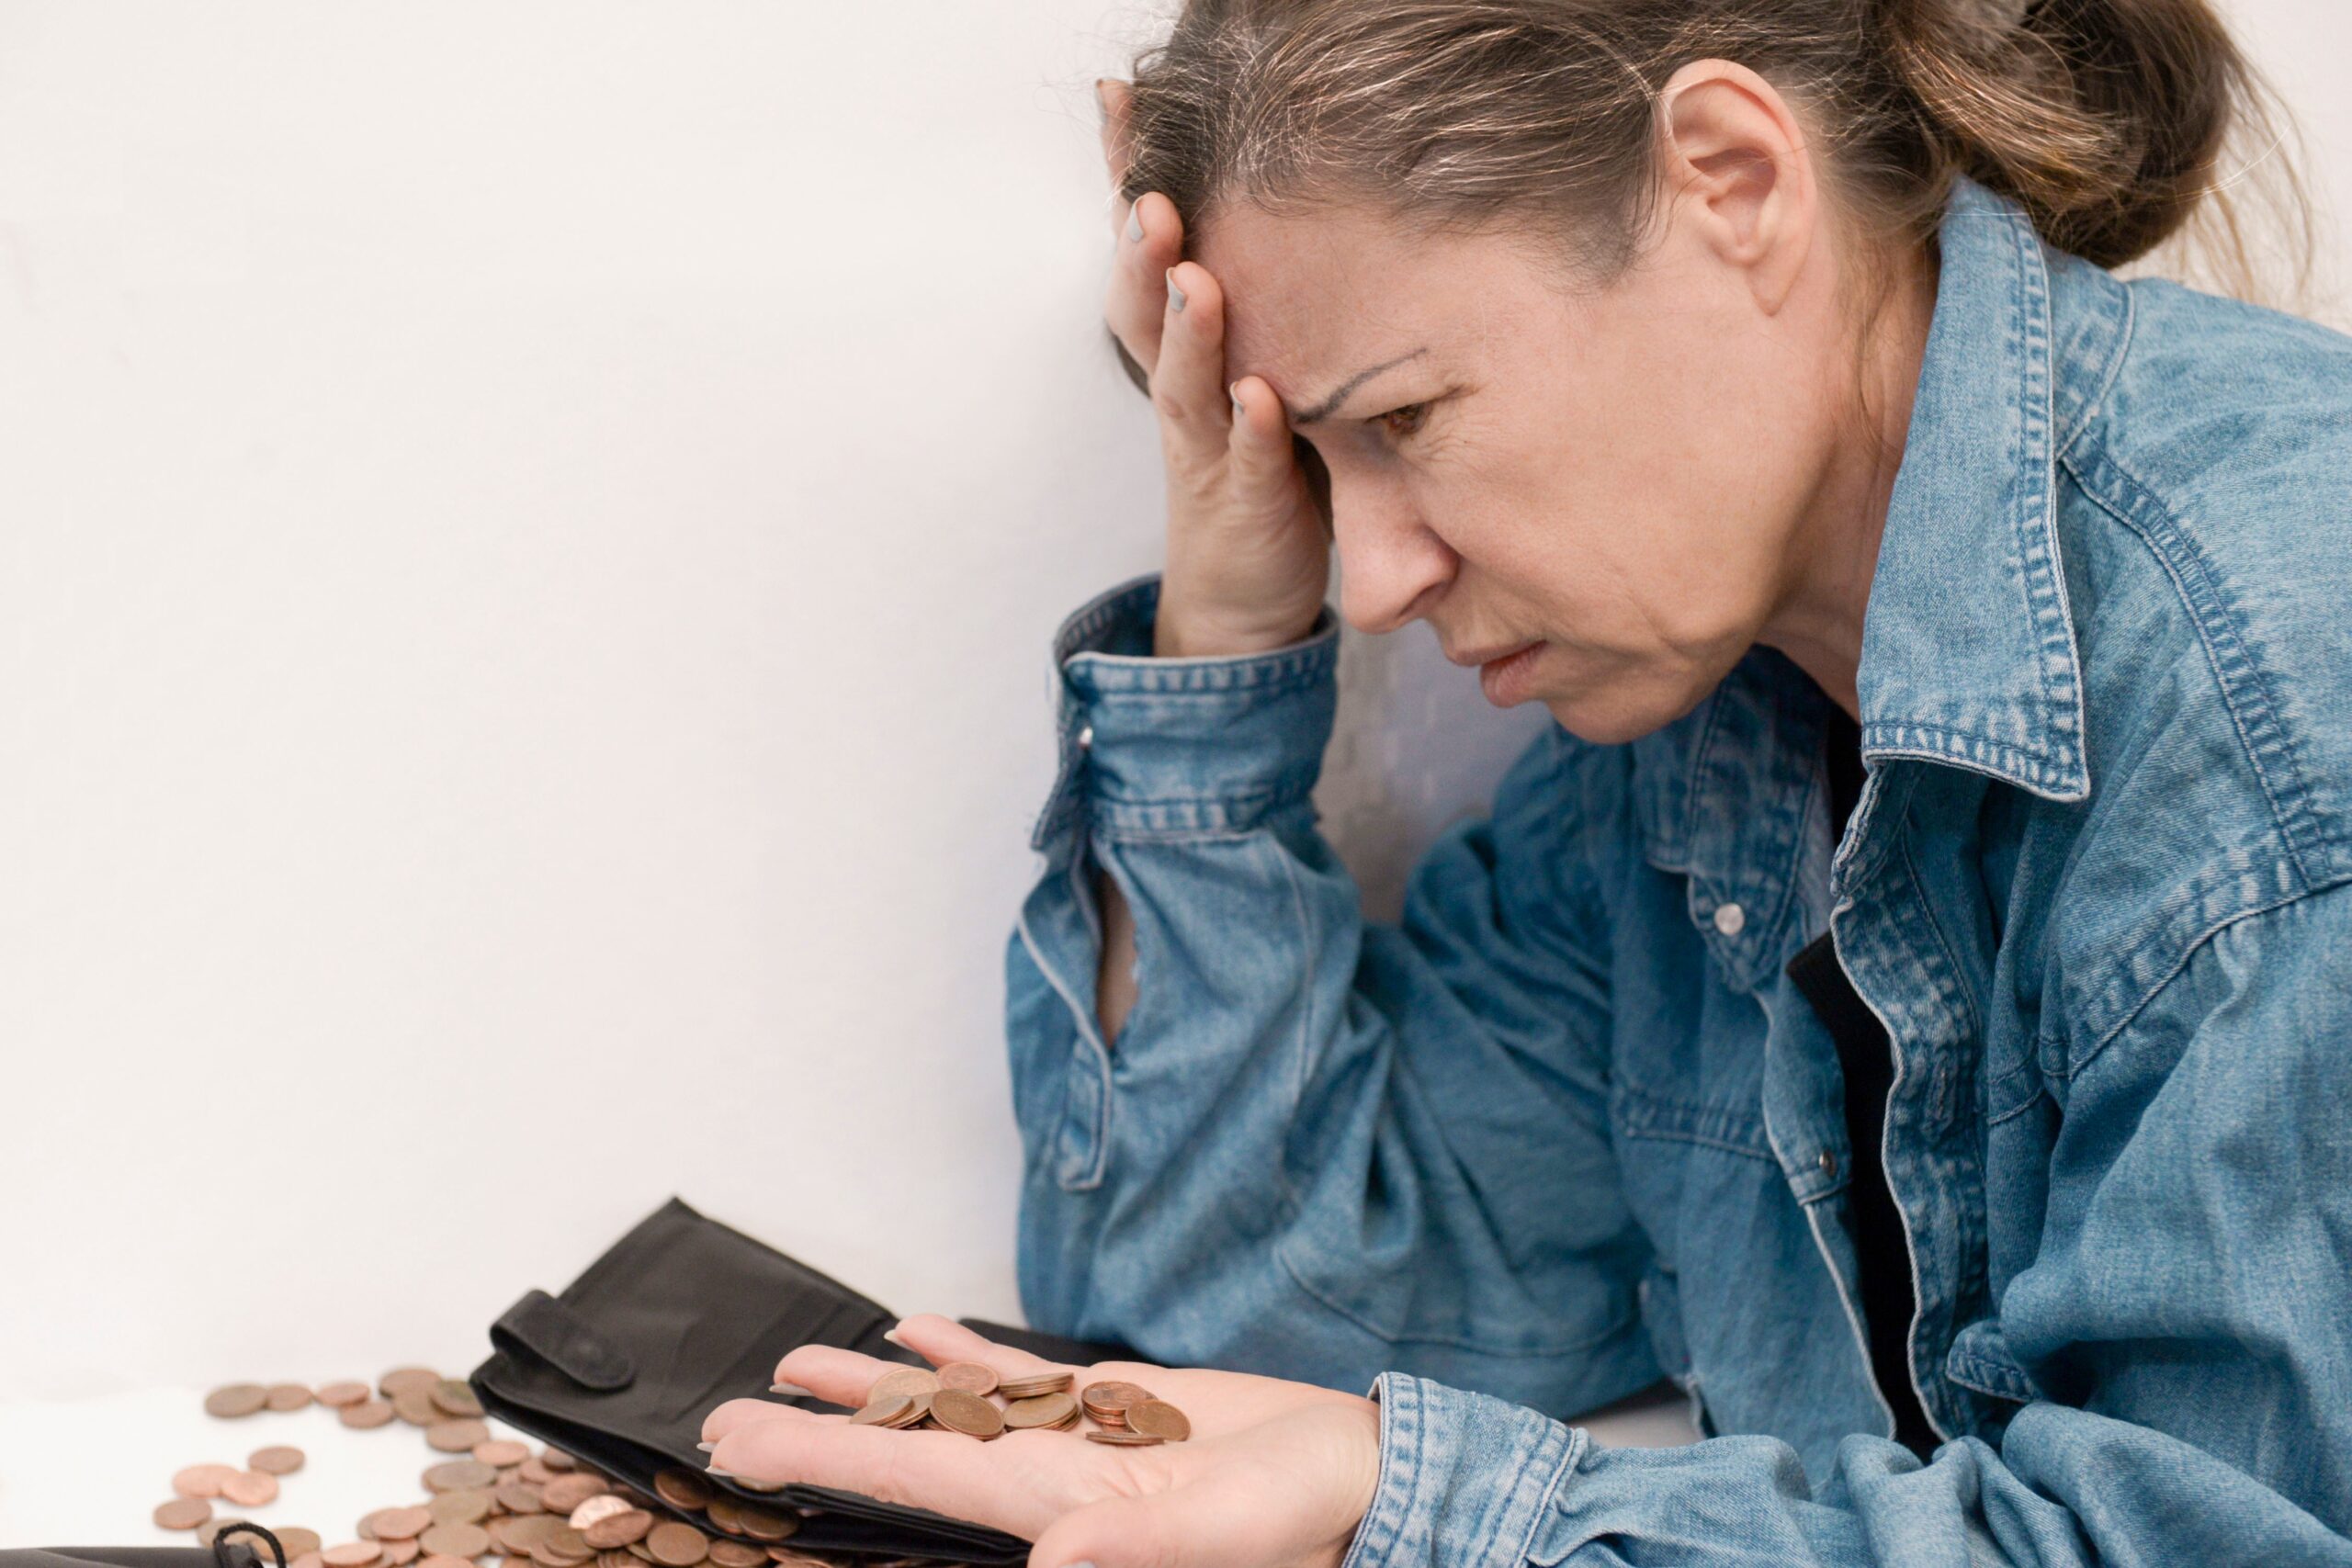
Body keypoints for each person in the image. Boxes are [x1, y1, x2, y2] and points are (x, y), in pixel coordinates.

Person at [703, 0, 2352, 1562]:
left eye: (1406, 418)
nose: (1370, 590)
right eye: (1311, 459)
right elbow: (1227, 1321)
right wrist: (1229, 616)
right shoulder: (1697, 726)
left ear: (1730, 182)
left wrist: (1396, 1505)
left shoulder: (2285, 695)